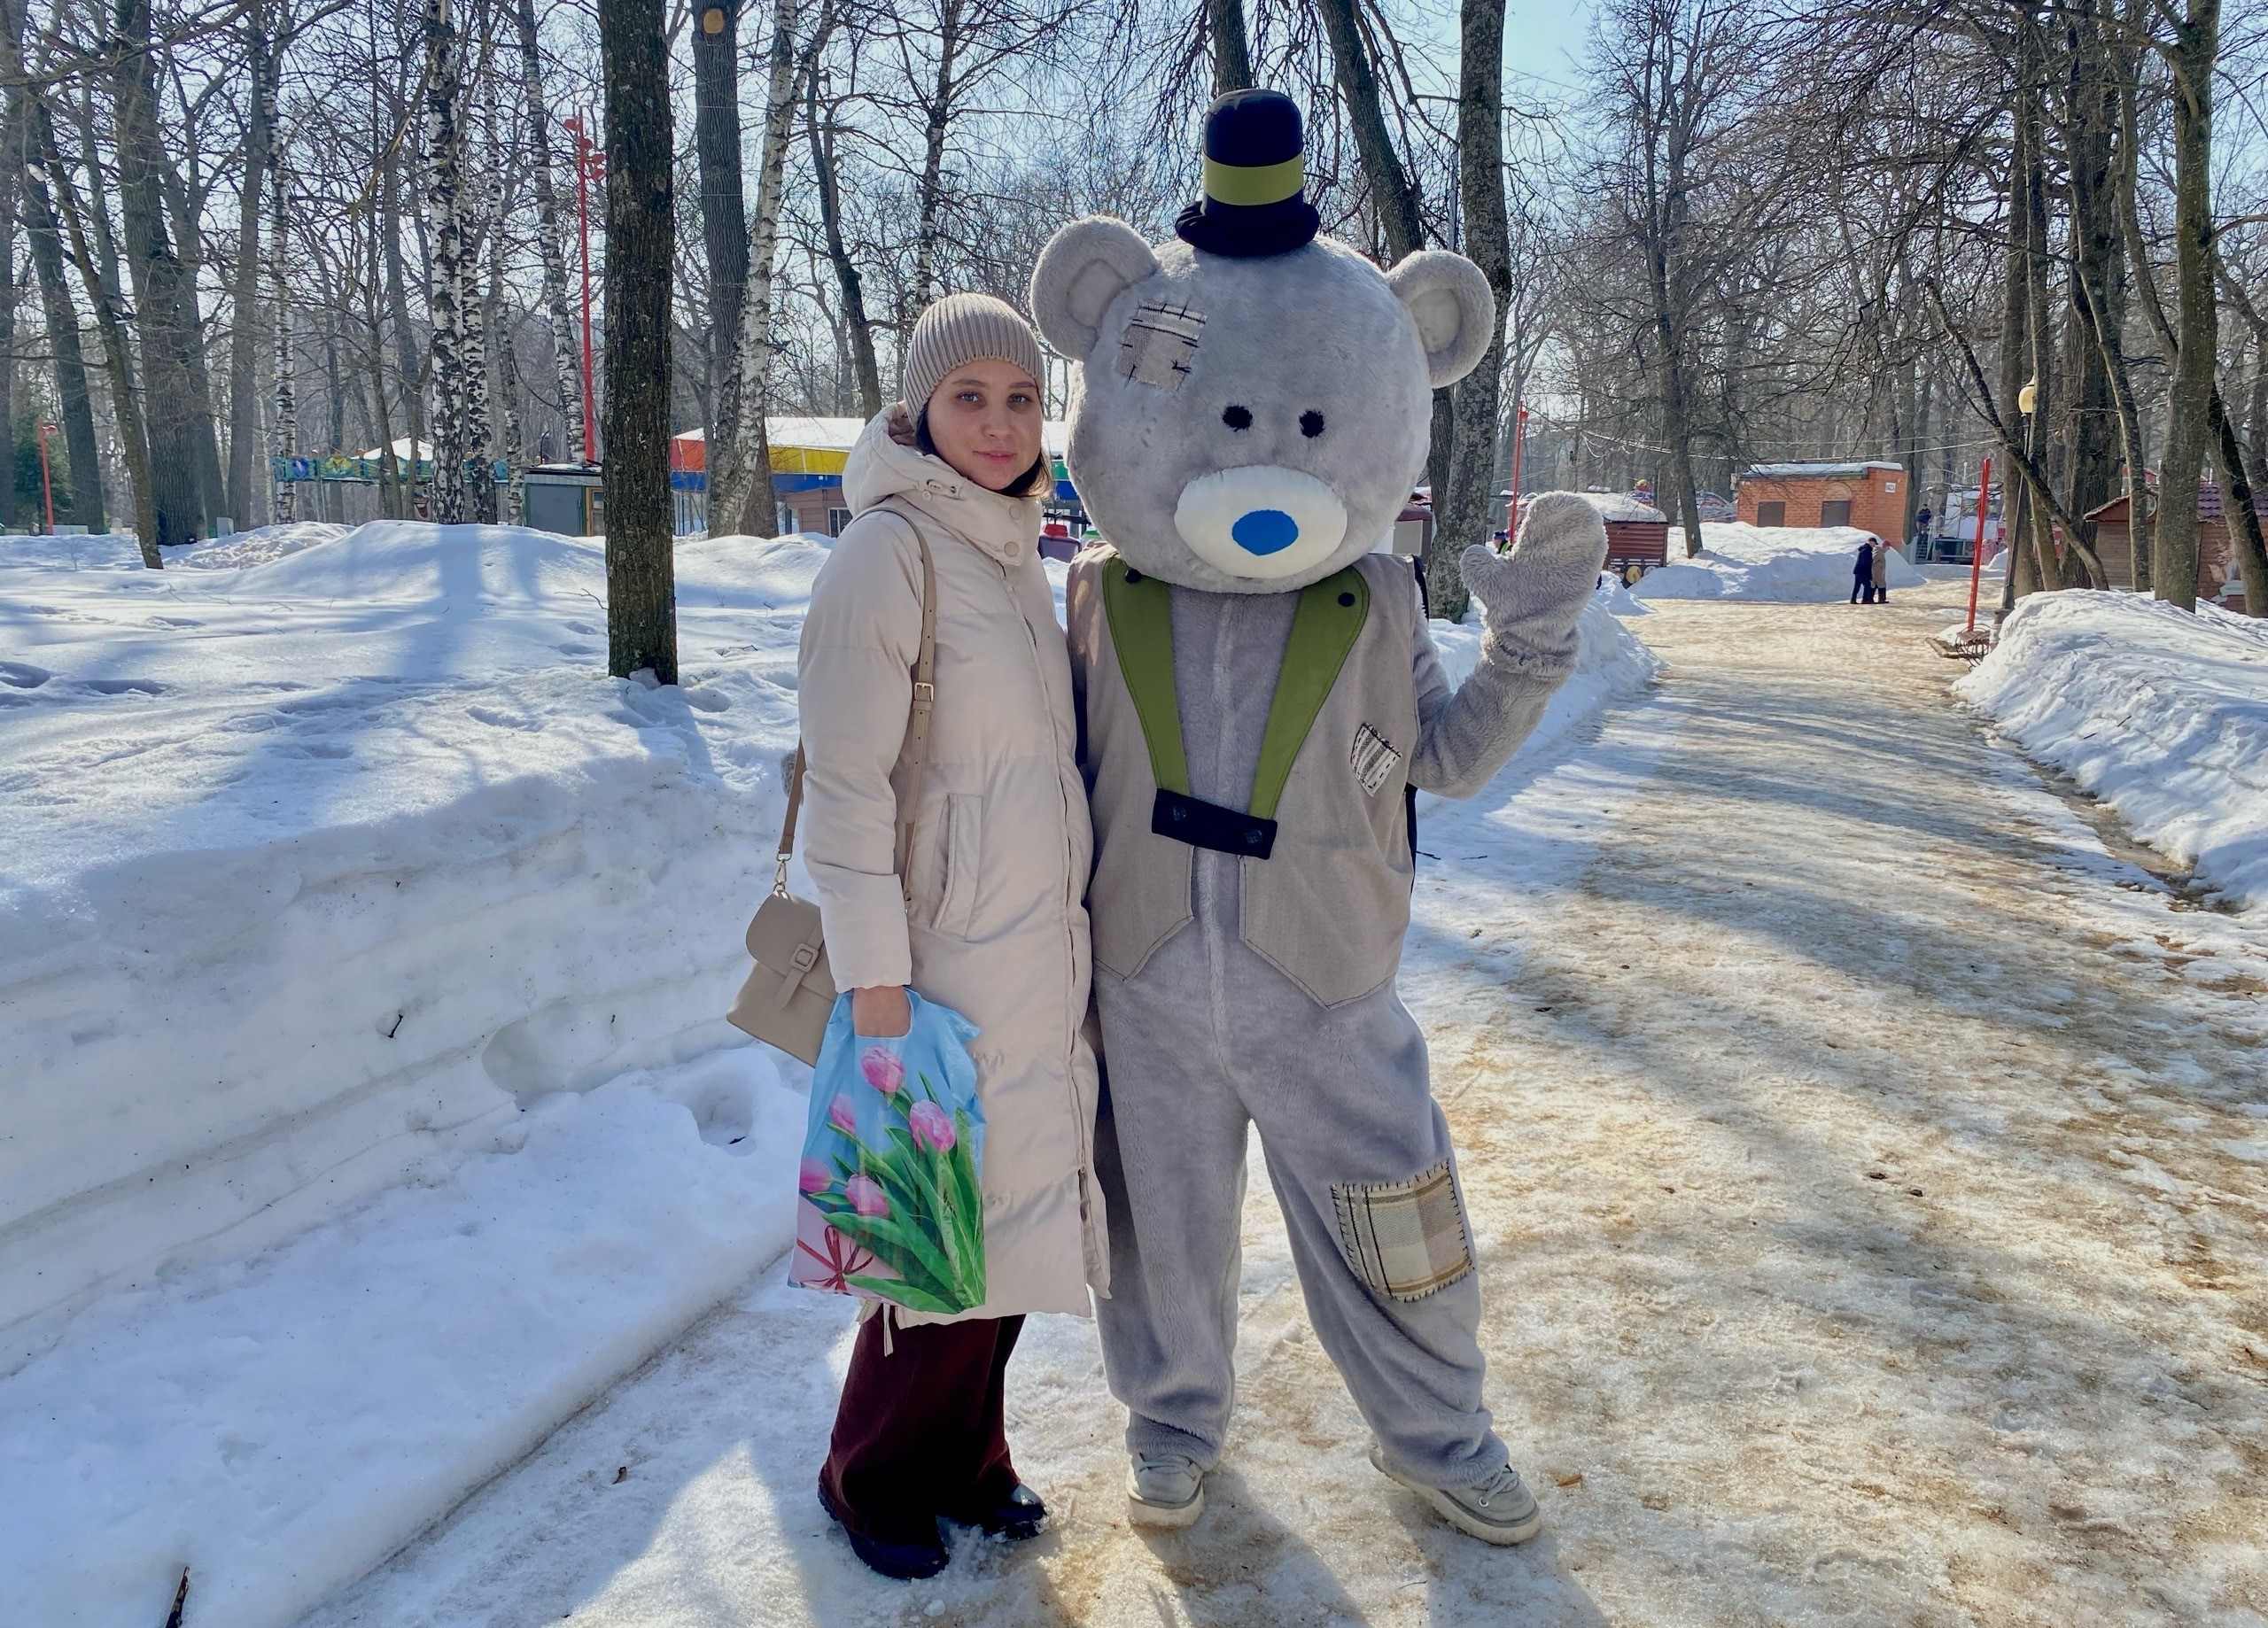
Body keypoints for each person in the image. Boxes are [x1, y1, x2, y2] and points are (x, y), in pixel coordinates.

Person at [794, 294, 1104, 1582]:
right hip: (934, 964)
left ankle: (971, 1460)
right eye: (968, 396)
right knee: (926, 1243)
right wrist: (874, 974)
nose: (998, 422)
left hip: (1033, 954)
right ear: (917, 409)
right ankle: (867, 1475)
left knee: (1009, 1231)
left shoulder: (1012, 554)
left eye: (1021, 398)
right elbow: (844, 784)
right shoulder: (890, 552)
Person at [1851, 535, 1873, 605]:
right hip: (1862, 571)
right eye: (1874, 543)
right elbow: (1866, 563)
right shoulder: (1867, 551)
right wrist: (1869, 575)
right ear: (1871, 542)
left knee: (1857, 586)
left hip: (1858, 571)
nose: (1874, 545)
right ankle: (1865, 600)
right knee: (1867, 585)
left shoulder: (1864, 549)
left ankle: (1853, 600)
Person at [1870, 533, 1891, 603]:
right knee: (1877, 585)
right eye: (1888, 548)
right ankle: (1873, 599)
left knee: (1880, 585)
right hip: (1876, 574)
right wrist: (1876, 569)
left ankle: (1881, 599)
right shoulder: (1878, 551)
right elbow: (1873, 560)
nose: (1888, 549)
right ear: (1885, 546)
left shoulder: (1881, 552)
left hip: (1879, 574)